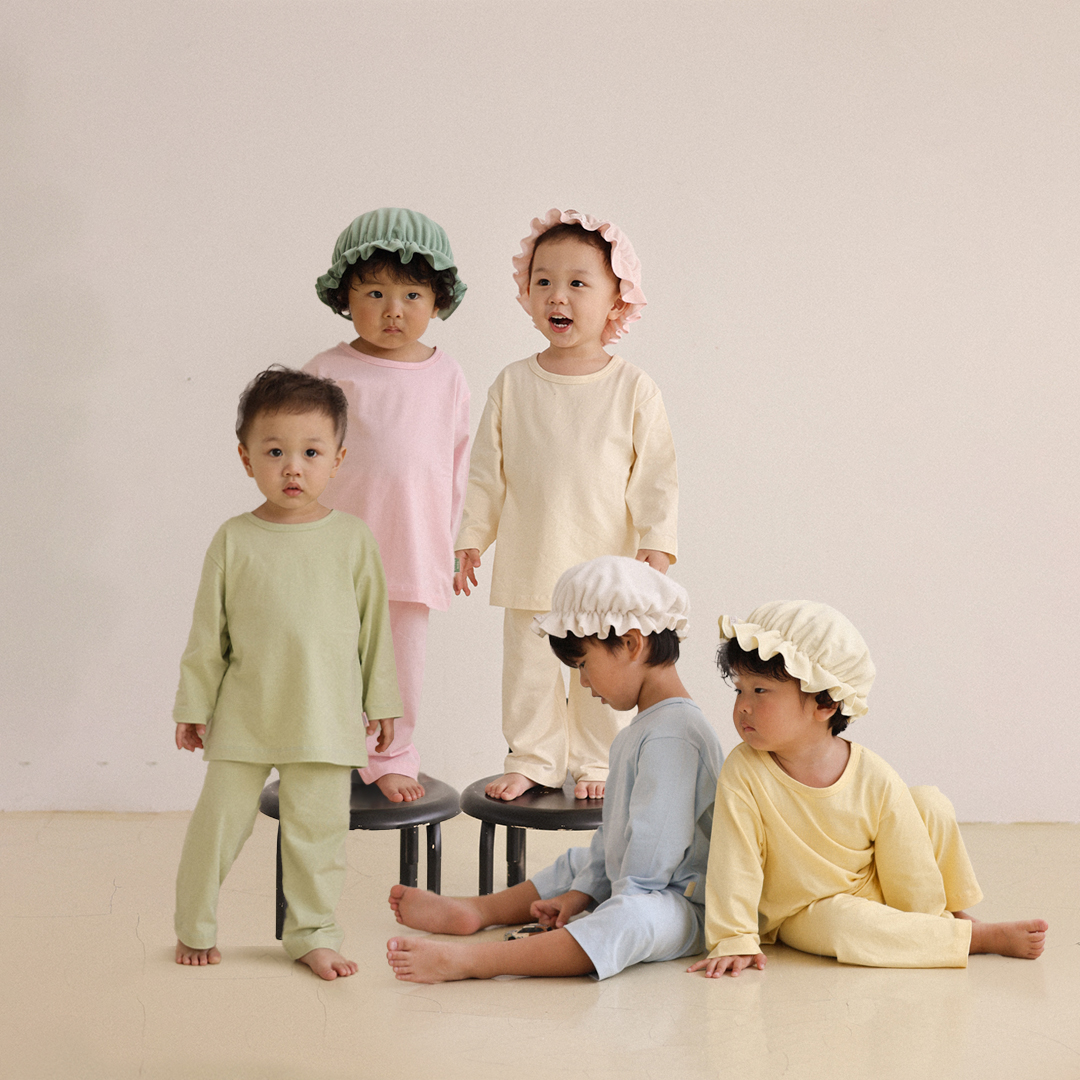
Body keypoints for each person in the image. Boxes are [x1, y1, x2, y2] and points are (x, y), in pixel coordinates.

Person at [386, 556, 723, 983]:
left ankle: (474, 962)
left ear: (631, 644)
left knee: (631, 918)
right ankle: (479, 910)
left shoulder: (674, 736)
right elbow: (616, 836)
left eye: (583, 665)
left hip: (686, 902)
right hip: (647, 882)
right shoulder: (644, 728)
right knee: (579, 863)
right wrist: (582, 892)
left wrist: (602, 906)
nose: (583, 683)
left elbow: (651, 860)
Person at [172, 367, 402, 980]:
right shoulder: (233, 539)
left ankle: (312, 933)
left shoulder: (353, 539)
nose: (292, 468)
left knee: (317, 837)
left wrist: (382, 701)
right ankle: (195, 923)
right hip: (244, 715)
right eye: (274, 452)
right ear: (246, 458)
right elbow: (207, 638)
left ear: (338, 460)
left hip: (325, 718)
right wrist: (193, 706)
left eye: (310, 453)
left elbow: (376, 631)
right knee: (217, 829)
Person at [689, 601, 1048, 978]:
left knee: (929, 803)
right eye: (739, 690)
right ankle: (971, 938)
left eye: (760, 690)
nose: (743, 707)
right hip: (809, 910)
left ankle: (950, 921)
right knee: (844, 925)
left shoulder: (874, 775)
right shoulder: (744, 771)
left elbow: (910, 867)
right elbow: (734, 860)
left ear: (825, 702)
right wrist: (735, 937)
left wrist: (925, 919)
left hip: (880, 886)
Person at [454, 209, 678, 801]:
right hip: (531, 559)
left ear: (616, 300)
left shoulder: (633, 387)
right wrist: (472, 537)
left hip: (604, 572)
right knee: (528, 674)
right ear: (527, 294)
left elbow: (656, 475)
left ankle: (598, 761)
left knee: (602, 673)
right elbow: (487, 473)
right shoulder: (512, 383)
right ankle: (533, 758)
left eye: (578, 282)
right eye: (544, 281)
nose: (558, 295)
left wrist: (657, 543)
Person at [305, 207, 469, 803]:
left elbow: (458, 467)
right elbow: (301, 459)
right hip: (338, 551)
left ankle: (392, 754)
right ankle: (327, 750)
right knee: (330, 657)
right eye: (374, 293)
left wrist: (457, 543)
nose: (393, 309)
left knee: (401, 665)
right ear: (345, 296)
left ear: (438, 299)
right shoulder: (326, 373)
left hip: (415, 548)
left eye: (411, 294)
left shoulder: (447, 376)